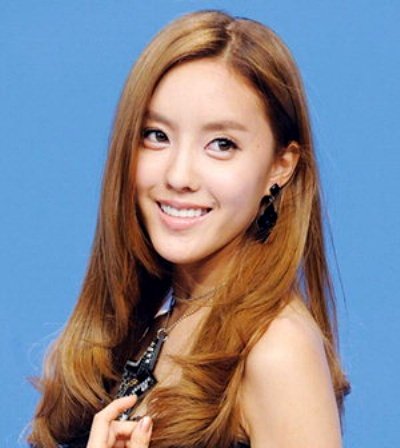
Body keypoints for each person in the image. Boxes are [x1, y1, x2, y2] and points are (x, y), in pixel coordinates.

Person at [28, 9, 350, 448]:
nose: (179, 175)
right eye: (156, 135)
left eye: (222, 144)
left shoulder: (277, 350)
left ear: (281, 166)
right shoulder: (153, 331)